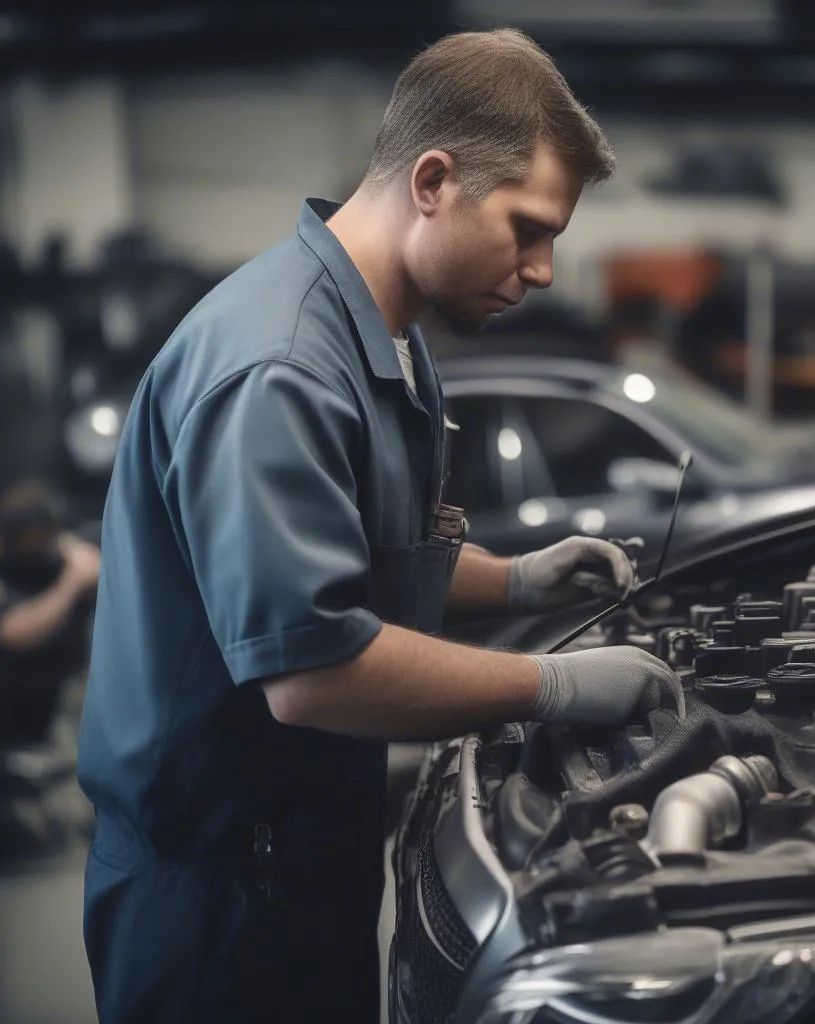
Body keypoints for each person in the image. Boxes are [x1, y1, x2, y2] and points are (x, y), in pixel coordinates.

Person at [77, 28, 679, 1024]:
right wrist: (555, 687)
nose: (542, 271)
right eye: (528, 228)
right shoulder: (280, 367)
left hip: (304, 861)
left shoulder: (387, 339)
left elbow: (363, 566)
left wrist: (521, 580)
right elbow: (312, 674)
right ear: (434, 179)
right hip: (216, 902)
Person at [0, 480, 99, 747]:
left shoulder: (62, 557)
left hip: (64, 695)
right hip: (14, 708)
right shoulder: (11, 567)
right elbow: (14, 631)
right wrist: (72, 583)